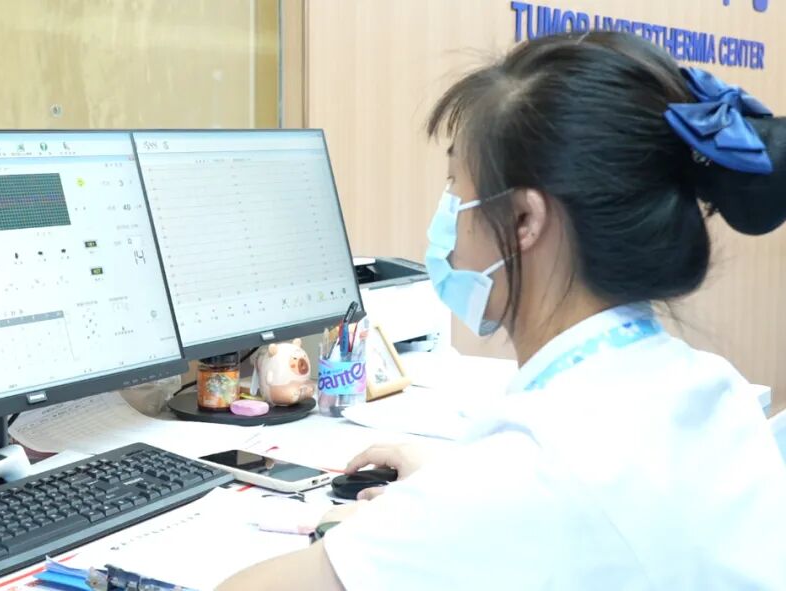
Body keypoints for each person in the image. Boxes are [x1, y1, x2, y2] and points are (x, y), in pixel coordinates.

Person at [218, 31, 786, 590]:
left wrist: (402, 525)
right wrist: (451, 493)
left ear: (523, 220)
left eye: (455, 188)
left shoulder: (528, 479)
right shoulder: (713, 391)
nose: (449, 220)